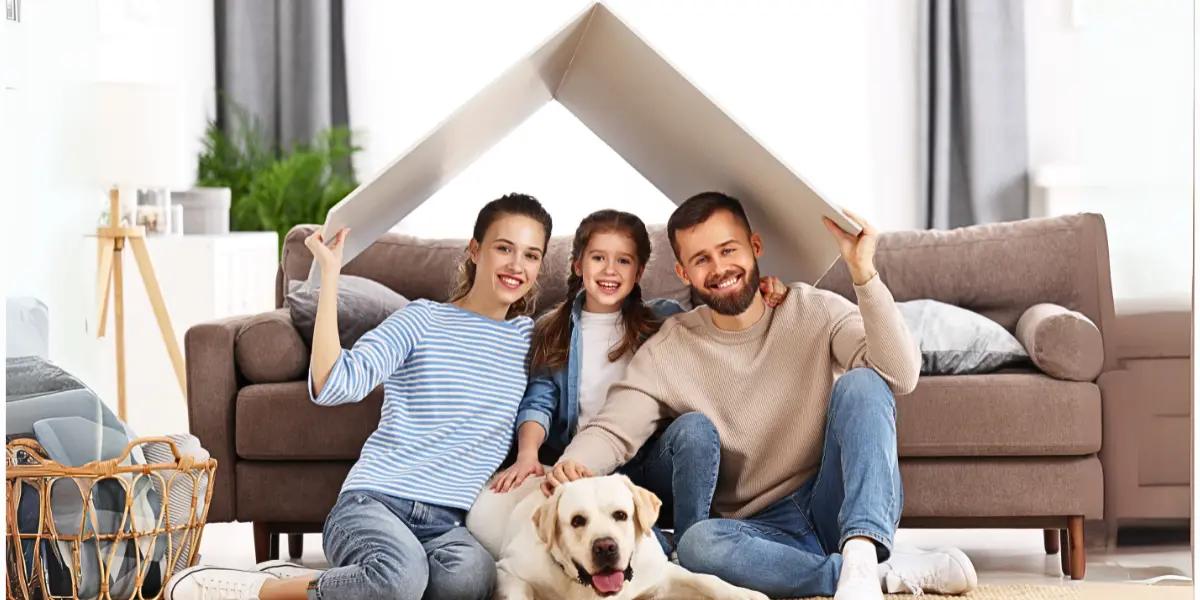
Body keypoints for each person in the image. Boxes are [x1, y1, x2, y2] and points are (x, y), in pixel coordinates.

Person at [543, 192, 978, 600]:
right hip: (755, 530)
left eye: (728, 249)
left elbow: (899, 375)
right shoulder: (669, 348)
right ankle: (869, 574)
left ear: (754, 246)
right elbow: (614, 429)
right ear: (683, 273)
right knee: (697, 543)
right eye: (701, 259)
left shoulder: (815, 310)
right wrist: (566, 472)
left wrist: (863, 274)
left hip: (830, 500)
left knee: (863, 383)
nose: (719, 268)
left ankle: (863, 553)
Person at [167, 193, 554, 600]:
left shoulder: (530, 340)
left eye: (531, 255)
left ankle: (348, 583)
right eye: (504, 248)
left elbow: (549, 396)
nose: (516, 265)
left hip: (449, 524)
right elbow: (335, 383)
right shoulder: (422, 319)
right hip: (374, 503)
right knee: (400, 579)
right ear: (475, 250)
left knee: (471, 581)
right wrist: (330, 277)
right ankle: (262, 589)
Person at [489, 209, 787, 550]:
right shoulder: (551, 329)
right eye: (598, 258)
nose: (610, 271)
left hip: (651, 463)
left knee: (695, 427)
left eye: (624, 261)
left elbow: (722, 318)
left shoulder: (664, 319)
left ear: (639, 271)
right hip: (591, 469)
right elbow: (539, 401)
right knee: (647, 553)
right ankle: (660, 545)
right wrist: (528, 454)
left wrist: (762, 290)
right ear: (578, 265)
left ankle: (695, 542)